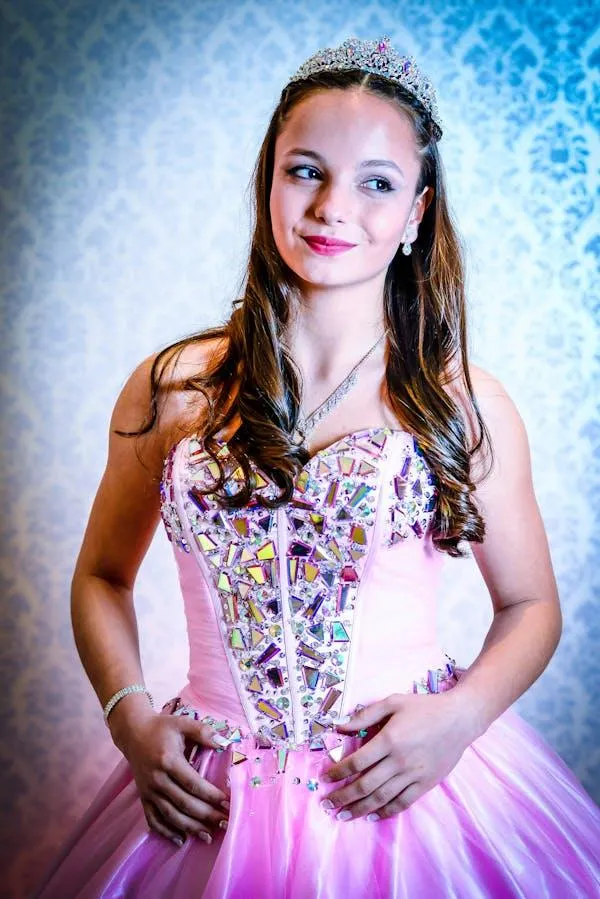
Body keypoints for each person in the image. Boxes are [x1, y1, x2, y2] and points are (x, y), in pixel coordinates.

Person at [33, 35, 600, 899]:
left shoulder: (461, 403)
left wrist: (458, 720)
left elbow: (531, 606)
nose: (335, 206)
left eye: (377, 181)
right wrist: (130, 719)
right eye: (306, 170)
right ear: (268, 180)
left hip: (407, 784)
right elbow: (102, 575)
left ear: (416, 212)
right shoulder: (177, 388)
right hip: (209, 795)